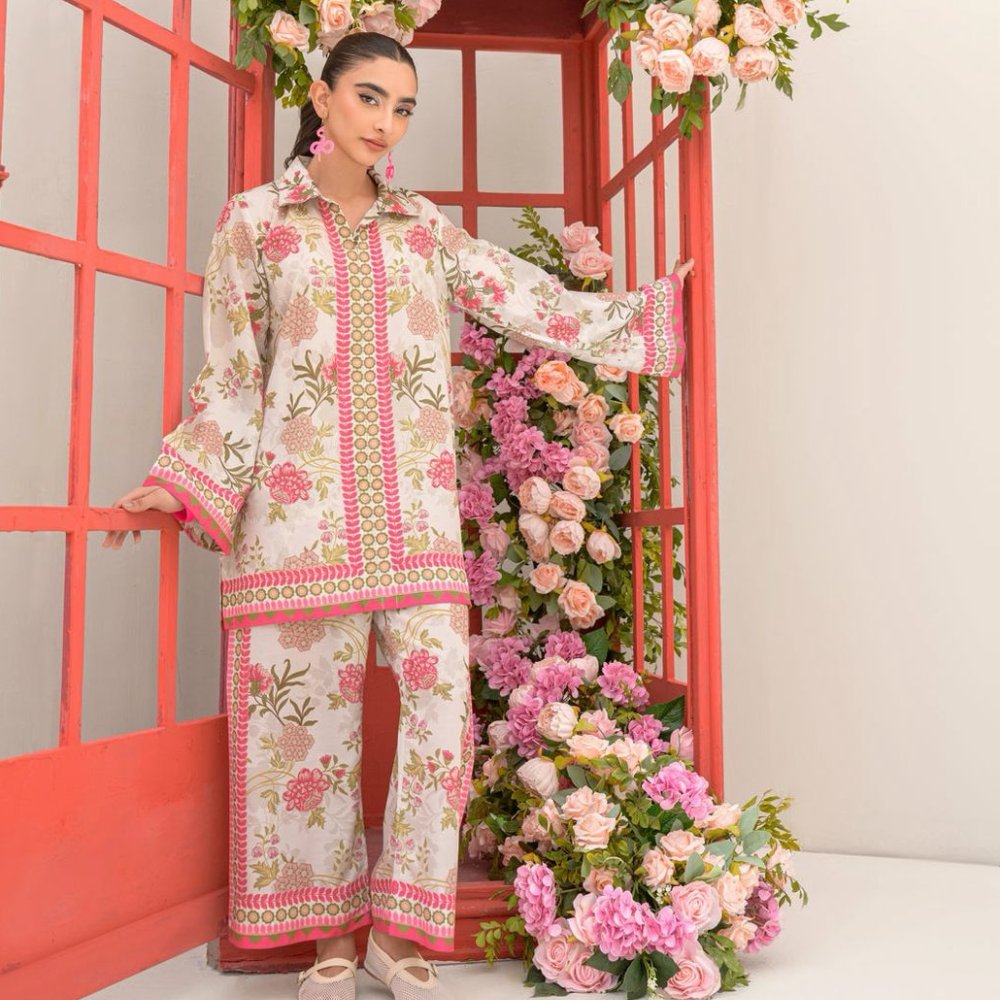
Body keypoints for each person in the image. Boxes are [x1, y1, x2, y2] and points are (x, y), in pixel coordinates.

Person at [103, 29, 693, 1000]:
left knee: (440, 715)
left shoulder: (422, 228)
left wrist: (645, 317)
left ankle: (400, 930)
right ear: (322, 97)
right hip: (295, 526)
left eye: (404, 107)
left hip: (414, 520)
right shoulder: (256, 222)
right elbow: (235, 370)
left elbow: (523, 298)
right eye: (369, 97)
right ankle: (327, 936)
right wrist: (184, 477)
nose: (386, 122)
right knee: (306, 734)